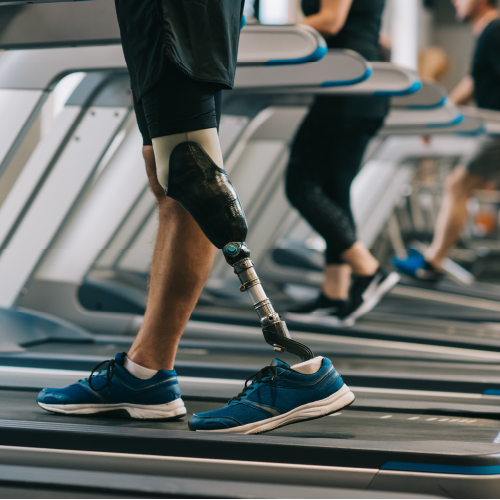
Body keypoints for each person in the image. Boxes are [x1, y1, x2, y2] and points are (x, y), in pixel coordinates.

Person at [35, 0, 354, 433]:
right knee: (169, 178)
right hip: (159, 18)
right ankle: (144, 372)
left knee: (189, 169)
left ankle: (304, 368)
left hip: (174, 14)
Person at [286, 0, 399, 325]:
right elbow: (383, 39)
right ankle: (334, 293)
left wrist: (267, 34)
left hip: (346, 88)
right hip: (361, 87)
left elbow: (332, 21)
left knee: (299, 185)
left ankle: (368, 270)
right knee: (335, 191)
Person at [393, 0, 500, 281]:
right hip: (492, 127)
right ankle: (434, 261)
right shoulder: (488, 32)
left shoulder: (495, 29)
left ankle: (433, 262)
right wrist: (440, 114)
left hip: (498, 127)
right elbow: (475, 81)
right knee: (459, 186)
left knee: (458, 185)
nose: (454, 2)